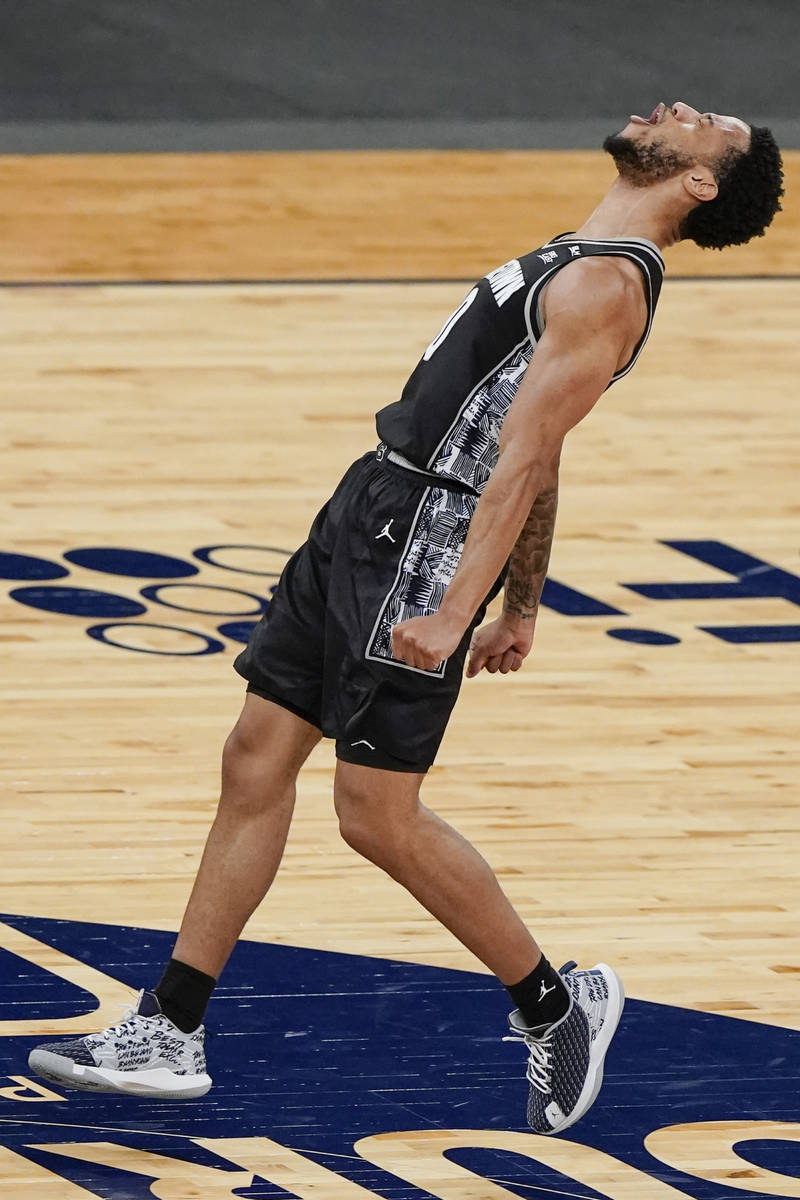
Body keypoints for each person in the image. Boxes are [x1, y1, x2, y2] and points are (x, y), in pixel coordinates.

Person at [29, 101, 783, 1134]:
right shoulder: (582, 252)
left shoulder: (606, 284)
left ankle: (553, 1011)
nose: (677, 109)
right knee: (255, 756)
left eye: (706, 125)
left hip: (420, 542)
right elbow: (538, 442)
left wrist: (457, 603)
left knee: (374, 815)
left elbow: (521, 460)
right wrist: (524, 601)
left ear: (698, 182)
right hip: (372, 504)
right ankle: (169, 1032)